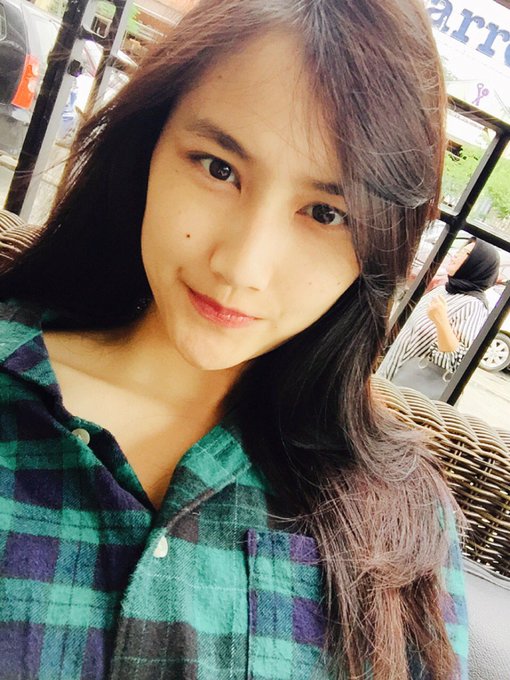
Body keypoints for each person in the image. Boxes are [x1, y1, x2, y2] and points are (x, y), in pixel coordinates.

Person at [0, 1, 468, 678]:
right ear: (148, 146)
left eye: (326, 212)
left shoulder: (403, 518)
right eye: (218, 168)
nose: (242, 267)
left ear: (382, 243)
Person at [379, 237, 500, 388]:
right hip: (386, 375)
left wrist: (441, 321)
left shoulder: (474, 305)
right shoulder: (444, 289)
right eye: (460, 250)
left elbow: (456, 361)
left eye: (467, 254)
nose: (456, 255)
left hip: (408, 391)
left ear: (478, 266)